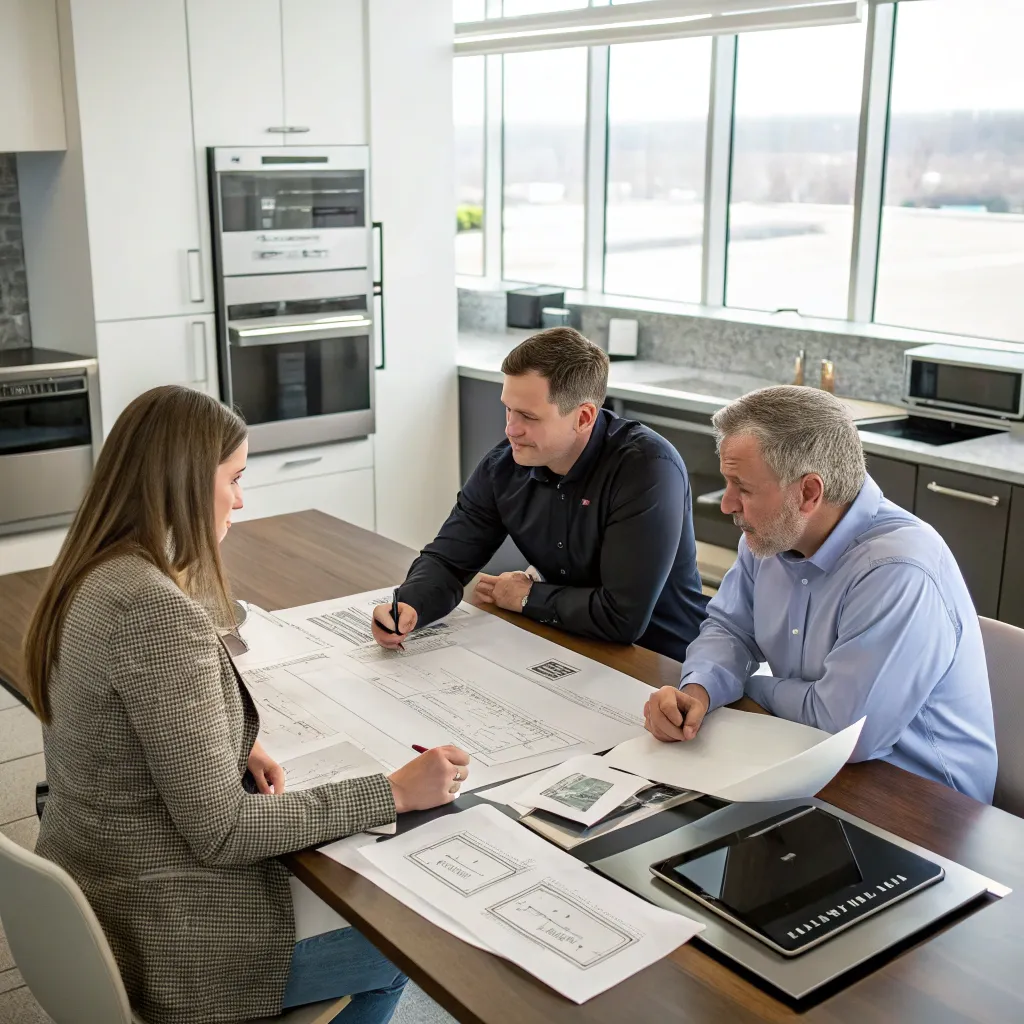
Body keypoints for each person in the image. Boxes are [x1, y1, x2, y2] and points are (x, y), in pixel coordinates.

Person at [24, 385, 470, 1024]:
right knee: (402, 943)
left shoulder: (90, 572)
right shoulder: (154, 612)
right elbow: (224, 832)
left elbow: (125, 723)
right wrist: (394, 791)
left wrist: (233, 740)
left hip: (92, 881)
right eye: (234, 478)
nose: (241, 499)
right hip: (161, 936)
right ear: (183, 484)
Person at [643, 385, 998, 803]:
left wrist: (749, 686)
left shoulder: (897, 571)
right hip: (809, 757)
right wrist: (700, 689)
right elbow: (730, 628)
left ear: (809, 493)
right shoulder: (771, 534)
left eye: (743, 487)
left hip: (924, 801)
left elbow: (844, 731)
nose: (727, 504)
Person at [372, 327, 708, 661]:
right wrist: (410, 605)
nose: (510, 429)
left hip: (662, 663)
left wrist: (526, 597)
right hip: (564, 645)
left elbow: (621, 617)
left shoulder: (647, 469)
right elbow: (448, 559)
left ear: (583, 417)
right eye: (508, 409)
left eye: (528, 416)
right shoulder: (503, 466)